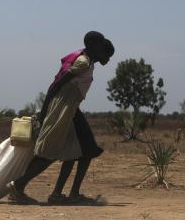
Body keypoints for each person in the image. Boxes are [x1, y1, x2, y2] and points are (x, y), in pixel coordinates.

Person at [7, 31, 114, 204]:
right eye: (103, 47)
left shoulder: (86, 61)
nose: (107, 57)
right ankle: (18, 186)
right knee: (49, 152)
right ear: (95, 46)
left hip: (70, 109)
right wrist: (44, 111)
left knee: (81, 150)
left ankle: (61, 194)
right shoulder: (83, 62)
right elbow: (56, 85)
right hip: (62, 109)